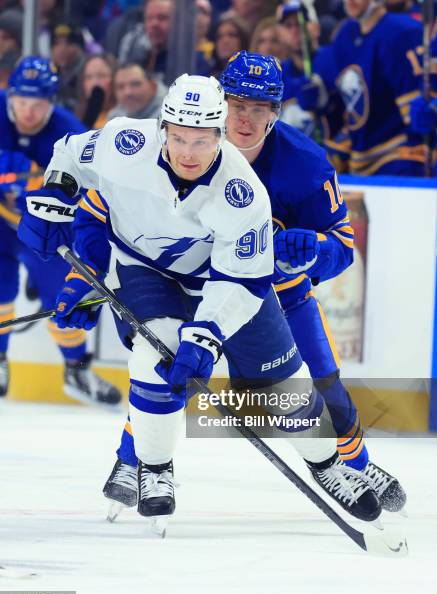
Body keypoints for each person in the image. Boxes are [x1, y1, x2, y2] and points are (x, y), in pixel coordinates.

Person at [19, 73, 381, 531]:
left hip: (220, 279)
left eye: (202, 141)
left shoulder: (243, 193)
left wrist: (206, 338)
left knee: (283, 386)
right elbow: (70, 153)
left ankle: (326, 462)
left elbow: (240, 281)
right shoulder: (124, 141)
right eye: (179, 138)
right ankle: (154, 467)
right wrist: (57, 191)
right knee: (157, 356)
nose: (189, 152)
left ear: (219, 135)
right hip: (144, 269)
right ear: (163, 128)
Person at [101, 53, 406, 517]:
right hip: (193, 287)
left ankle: (353, 465)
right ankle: (136, 461)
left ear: (276, 113)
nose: (245, 119)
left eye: (259, 109)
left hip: (278, 294)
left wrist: (315, 250)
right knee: (166, 361)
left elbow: (342, 243)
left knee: (319, 380)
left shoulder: (305, 164)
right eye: (237, 105)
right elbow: (110, 209)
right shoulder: (178, 146)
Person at [0, 56, 121, 407]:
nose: (28, 112)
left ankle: (76, 369)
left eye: (37, 104)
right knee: (0, 290)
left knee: (64, 298)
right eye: (21, 102)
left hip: (48, 228)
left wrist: (38, 177)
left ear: (51, 102)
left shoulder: (70, 132)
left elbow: (89, 190)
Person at [296, 0, 425, 176]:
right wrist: (320, 96)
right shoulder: (346, 34)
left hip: (398, 155)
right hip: (359, 157)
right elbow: (342, 99)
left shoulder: (402, 32)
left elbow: (419, 114)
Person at [76, 53, 118, 129]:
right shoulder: (76, 119)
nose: (94, 83)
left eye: (101, 76)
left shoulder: (126, 116)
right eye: (88, 77)